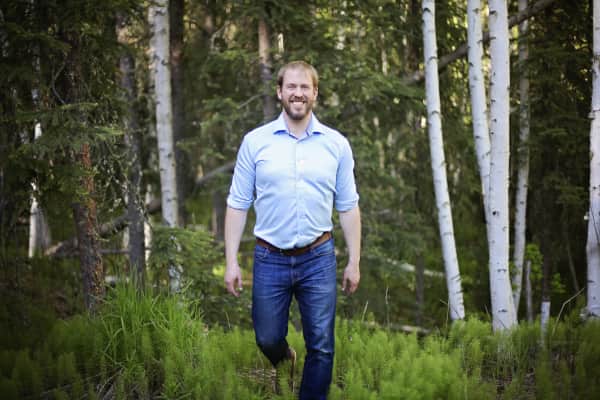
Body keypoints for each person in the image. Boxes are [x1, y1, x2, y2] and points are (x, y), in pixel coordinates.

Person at [224, 60, 361, 399]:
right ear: (279, 92)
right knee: (267, 337)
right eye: (291, 87)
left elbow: (348, 206)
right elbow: (237, 203)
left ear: (315, 93)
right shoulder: (255, 142)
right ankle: (285, 359)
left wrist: (354, 261)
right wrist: (231, 261)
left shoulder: (336, 144)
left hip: (318, 257)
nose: (298, 93)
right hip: (269, 257)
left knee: (322, 345)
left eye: (304, 87)